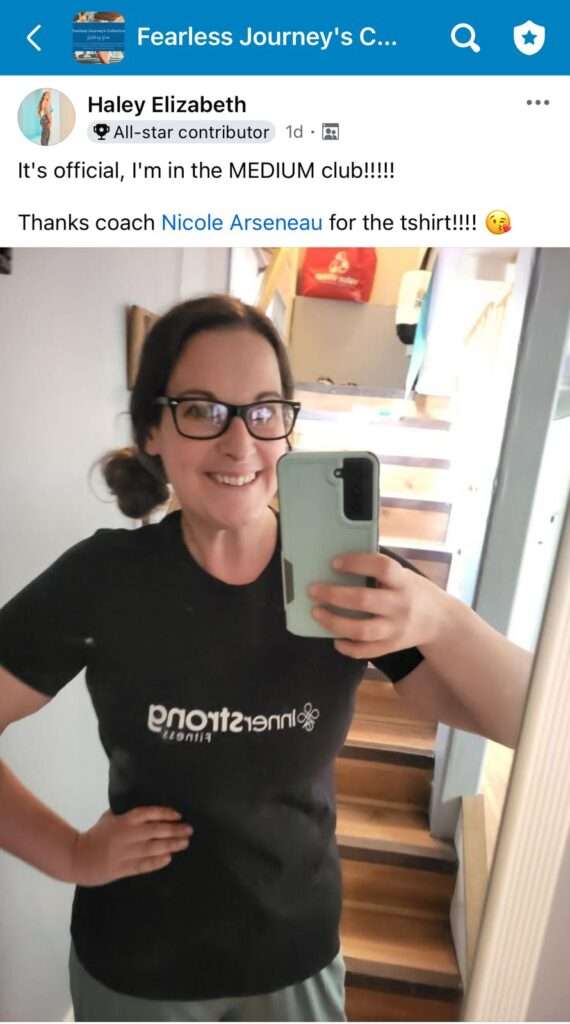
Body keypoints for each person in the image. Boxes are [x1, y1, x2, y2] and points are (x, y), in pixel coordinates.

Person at [0, 294, 531, 1022]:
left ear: (287, 426)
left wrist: (440, 616)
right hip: (137, 966)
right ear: (152, 429)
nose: (239, 443)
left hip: (295, 957)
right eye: (201, 409)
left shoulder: (349, 577)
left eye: (263, 411)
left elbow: (533, 722)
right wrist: (70, 855)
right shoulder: (103, 579)